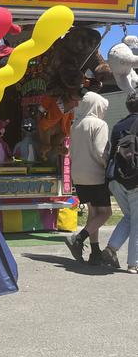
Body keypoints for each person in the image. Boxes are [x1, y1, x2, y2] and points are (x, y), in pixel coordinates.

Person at [65, 91, 111, 265]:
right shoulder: (99, 124)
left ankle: (95, 252)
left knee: (93, 213)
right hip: (96, 175)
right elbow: (101, 152)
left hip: (79, 175)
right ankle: (78, 238)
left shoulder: (75, 125)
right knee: (105, 213)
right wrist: (108, 166)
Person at [102, 91, 138, 273]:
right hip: (135, 181)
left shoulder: (117, 126)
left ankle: (111, 249)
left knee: (131, 217)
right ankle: (134, 263)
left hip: (117, 180)